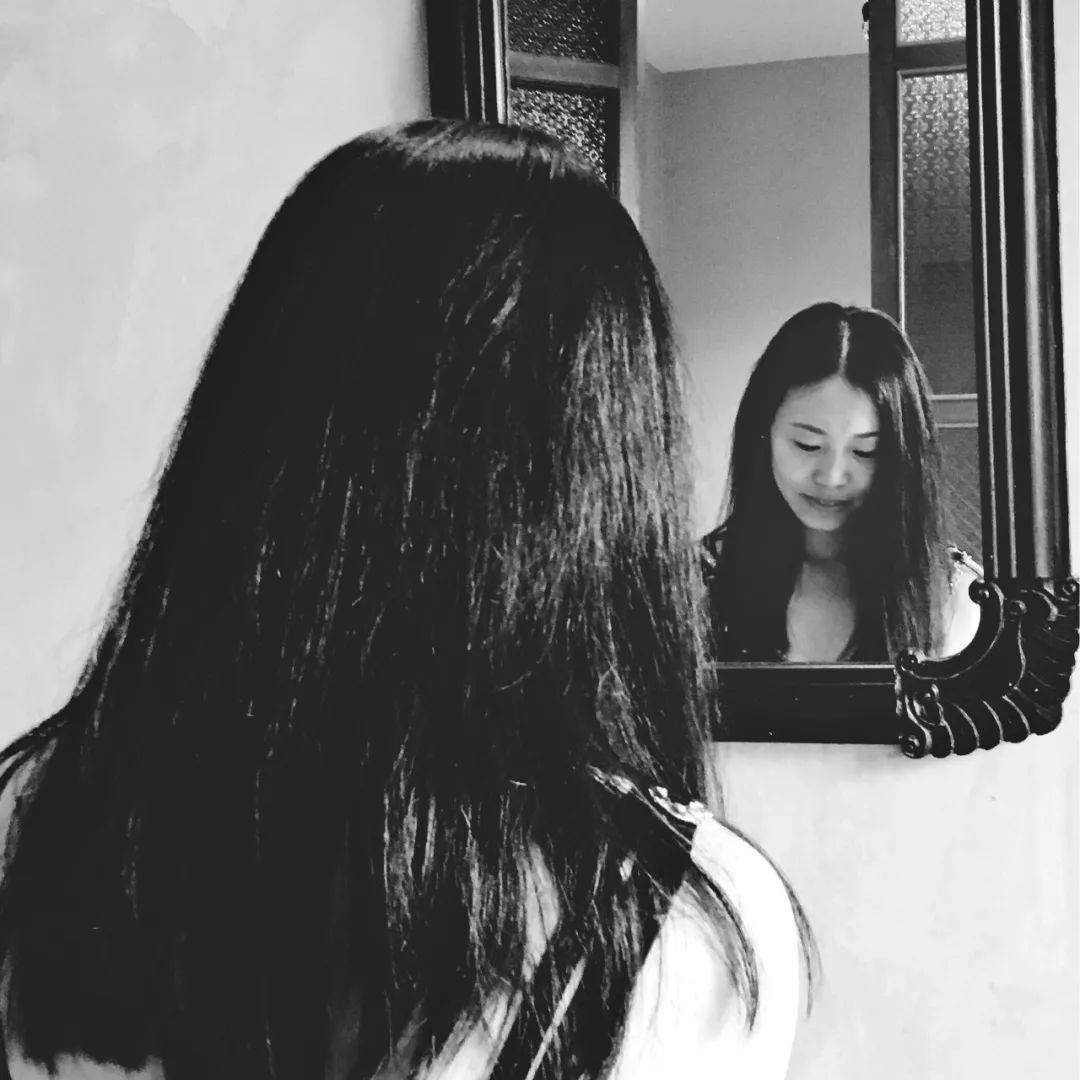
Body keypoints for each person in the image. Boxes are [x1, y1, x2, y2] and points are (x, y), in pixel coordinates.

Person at [0, 120, 810, 1080]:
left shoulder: (45, 810)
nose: (832, 473)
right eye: (808, 441)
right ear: (611, 463)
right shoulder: (691, 935)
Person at [702, 302, 981, 663]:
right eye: (807, 445)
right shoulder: (695, 584)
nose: (832, 477)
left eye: (866, 451)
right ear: (762, 435)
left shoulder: (953, 596)